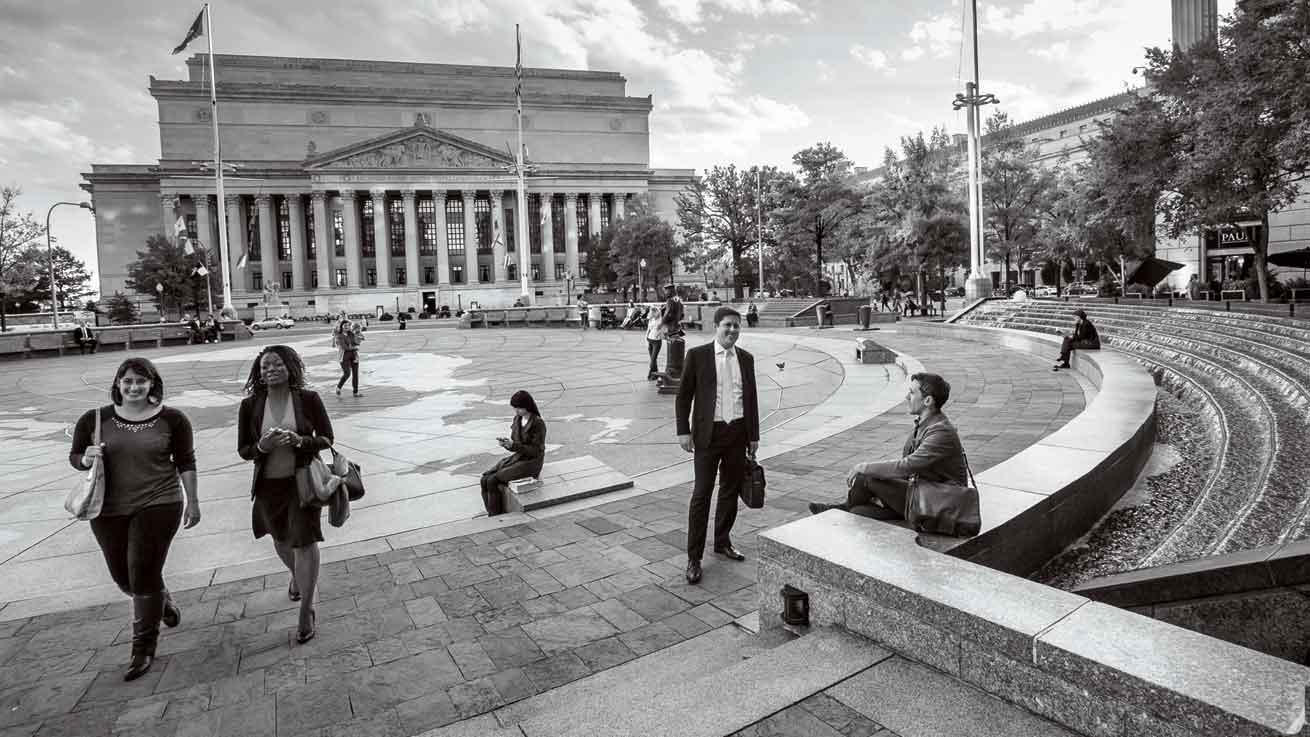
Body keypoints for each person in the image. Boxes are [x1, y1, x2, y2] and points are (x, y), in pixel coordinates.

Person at [68, 358, 200, 681]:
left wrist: (193, 501)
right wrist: (85, 457)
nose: (134, 387)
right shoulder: (94, 419)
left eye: (141, 381)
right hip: (108, 508)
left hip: (160, 502)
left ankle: (143, 648)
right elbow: (75, 457)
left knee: (141, 571)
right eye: (127, 381)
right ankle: (161, 601)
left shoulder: (173, 419)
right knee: (123, 577)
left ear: (152, 385)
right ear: (117, 384)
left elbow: (186, 461)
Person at [237, 345, 334, 644]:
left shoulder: (307, 399)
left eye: (277, 364)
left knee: (304, 542)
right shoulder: (250, 405)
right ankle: (298, 577)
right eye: (265, 366)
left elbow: (326, 438)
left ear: (291, 367)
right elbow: (244, 450)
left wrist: (300, 440)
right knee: (281, 541)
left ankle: (307, 608)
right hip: (268, 485)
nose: (270, 370)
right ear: (259, 372)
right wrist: (262, 447)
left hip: (302, 483)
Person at [808, 373, 966, 521]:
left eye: (911, 393)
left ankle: (841, 508)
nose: (906, 397)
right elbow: (908, 468)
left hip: (939, 503)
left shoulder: (941, 433)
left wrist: (863, 467)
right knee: (859, 512)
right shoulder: (925, 425)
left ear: (928, 401)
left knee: (865, 478)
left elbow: (907, 466)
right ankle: (846, 507)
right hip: (921, 494)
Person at [676, 307, 759, 584]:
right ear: (716, 326)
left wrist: (753, 436)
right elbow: (683, 396)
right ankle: (694, 557)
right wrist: (683, 432)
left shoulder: (746, 359)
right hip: (707, 436)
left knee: (730, 491)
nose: (732, 330)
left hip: (737, 433)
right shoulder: (697, 356)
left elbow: (751, 400)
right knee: (701, 494)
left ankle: (722, 541)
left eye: (736, 326)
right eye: (727, 325)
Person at [480, 391, 546, 516]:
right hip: (519, 458)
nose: (516, 411)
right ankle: (490, 511)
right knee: (484, 478)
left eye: (519, 408)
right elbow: (516, 445)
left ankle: (495, 514)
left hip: (531, 462)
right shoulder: (517, 419)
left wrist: (514, 445)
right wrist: (507, 444)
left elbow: (536, 450)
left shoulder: (538, 423)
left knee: (492, 480)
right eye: (515, 408)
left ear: (527, 406)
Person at [332, 318, 364, 397]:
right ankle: (338, 387)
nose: (347, 327)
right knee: (347, 373)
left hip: (354, 356)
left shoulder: (351, 334)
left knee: (355, 374)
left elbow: (356, 342)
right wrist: (354, 347)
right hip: (344, 357)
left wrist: (359, 337)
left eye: (348, 325)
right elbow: (345, 347)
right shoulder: (339, 336)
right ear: (341, 326)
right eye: (345, 325)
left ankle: (355, 392)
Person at [646, 302, 666, 380]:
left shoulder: (661, 320)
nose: (652, 313)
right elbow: (648, 330)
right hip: (650, 340)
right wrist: (646, 340)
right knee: (653, 360)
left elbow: (662, 330)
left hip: (657, 341)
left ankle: (650, 374)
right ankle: (655, 374)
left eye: (653, 312)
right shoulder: (651, 319)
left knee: (653, 359)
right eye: (652, 312)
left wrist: (660, 334)